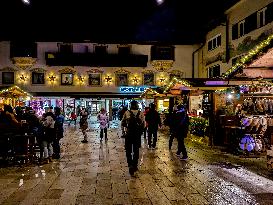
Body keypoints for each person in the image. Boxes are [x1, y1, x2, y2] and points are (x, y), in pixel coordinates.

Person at [121, 100, 144, 176]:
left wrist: (124, 131)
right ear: (137, 105)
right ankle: (135, 166)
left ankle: (130, 165)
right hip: (137, 135)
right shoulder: (140, 113)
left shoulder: (127, 112)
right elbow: (143, 125)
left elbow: (122, 123)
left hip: (129, 134)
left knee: (128, 150)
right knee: (136, 150)